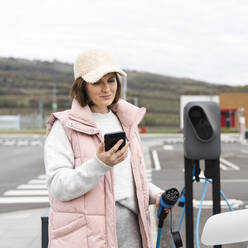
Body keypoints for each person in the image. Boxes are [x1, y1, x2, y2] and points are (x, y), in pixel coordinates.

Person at [44, 48, 164, 248]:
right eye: (97, 82)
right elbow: (58, 187)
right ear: (82, 86)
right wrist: (100, 164)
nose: (106, 88)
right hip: (86, 236)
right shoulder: (64, 126)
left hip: (130, 230)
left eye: (111, 80)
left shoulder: (126, 121)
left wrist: (155, 194)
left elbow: (127, 179)